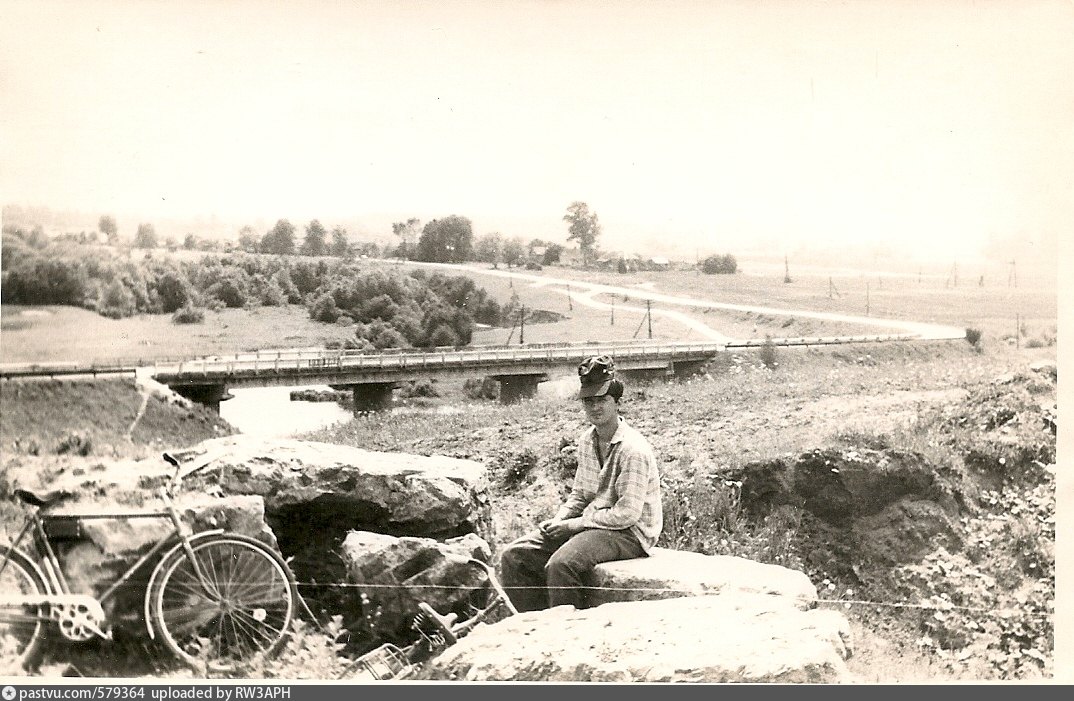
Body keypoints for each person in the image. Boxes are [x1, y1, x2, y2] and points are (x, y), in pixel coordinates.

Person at [498, 355, 663, 611]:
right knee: (514, 555)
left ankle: (565, 632)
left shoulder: (633, 449)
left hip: (631, 533)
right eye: (589, 401)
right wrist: (559, 521)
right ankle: (531, 628)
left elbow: (627, 514)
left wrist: (574, 525)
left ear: (617, 402)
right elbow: (580, 494)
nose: (595, 408)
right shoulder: (587, 440)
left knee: (561, 565)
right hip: (595, 522)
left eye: (602, 400)